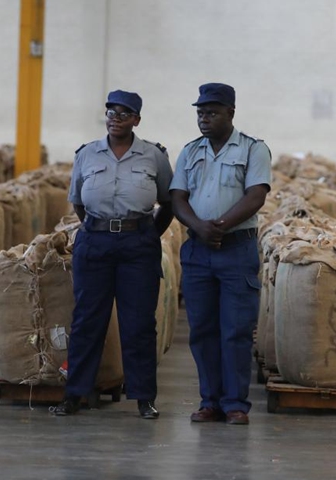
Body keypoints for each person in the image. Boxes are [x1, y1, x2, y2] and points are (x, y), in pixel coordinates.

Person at [52, 90, 174, 419]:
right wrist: (101, 229)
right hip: (95, 243)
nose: (115, 119)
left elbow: (169, 202)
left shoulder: (154, 156)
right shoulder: (87, 154)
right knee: (87, 321)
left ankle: (144, 398)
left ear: (136, 119)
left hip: (138, 247)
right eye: (111, 112)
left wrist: (146, 235)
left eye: (124, 113)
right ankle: (75, 394)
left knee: (138, 325)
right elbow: (78, 202)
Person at [170, 83, 271, 426]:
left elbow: (256, 195)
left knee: (236, 330)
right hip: (198, 250)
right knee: (202, 330)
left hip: (236, 250)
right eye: (200, 112)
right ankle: (209, 401)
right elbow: (178, 197)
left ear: (230, 113)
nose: (204, 119)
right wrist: (199, 227)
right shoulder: (189, 151)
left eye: (212, 112)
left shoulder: (253, 149)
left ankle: (235, 404)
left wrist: (221, 226)